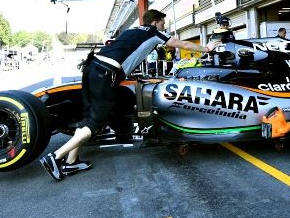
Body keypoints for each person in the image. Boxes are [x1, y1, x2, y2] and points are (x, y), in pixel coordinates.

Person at [40, 9, 220, 181]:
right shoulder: (152, 32)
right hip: (105, 73)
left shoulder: (132, 30)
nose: (164, 27)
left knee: (87, 118)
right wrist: (207, 48)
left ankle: (71, 162)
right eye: (163, 24)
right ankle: (55, 157)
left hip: (91, 68)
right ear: (155, 22)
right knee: (96, 122)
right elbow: (182, 44)